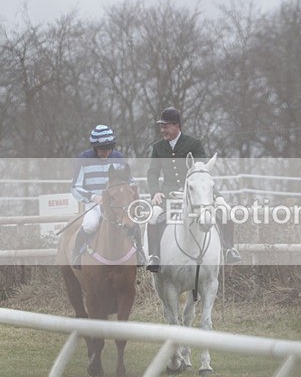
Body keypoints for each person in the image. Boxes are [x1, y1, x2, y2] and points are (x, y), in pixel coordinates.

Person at [145, 106, 241, 272]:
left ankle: (229, 249)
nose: (163, 130)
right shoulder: (158, 147)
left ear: (177, 125)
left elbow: (203, 172)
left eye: (166, 126)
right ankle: (154, 256)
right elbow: (152, 172)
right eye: (161, 126)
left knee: (225, 211)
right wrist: (155, 192)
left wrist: (217, 196)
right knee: (153, 216)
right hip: (168, 195)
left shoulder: (193, 144)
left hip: (196, 194)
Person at [69, 124, 146, 269]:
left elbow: (129, 181)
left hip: (117, 204)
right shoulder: (83, 159)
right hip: (95, 204)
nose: (107, 153)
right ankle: (76, 253)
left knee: (133, 223)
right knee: (90, 224)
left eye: (109, 149)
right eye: (103, 150)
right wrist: (93, 197)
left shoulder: (118, 158)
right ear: (95, 147)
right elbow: (75, 187)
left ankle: (140, 252)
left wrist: (129, 194)